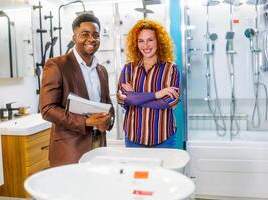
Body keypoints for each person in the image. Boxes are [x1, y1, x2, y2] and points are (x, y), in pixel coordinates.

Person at [40, 13, 114, 167]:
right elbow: (47, 109)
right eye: (85, 34)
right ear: (74, 38)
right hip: (70, 149)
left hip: (98, 145)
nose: (92, 39)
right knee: (72, 190)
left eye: (96, 35)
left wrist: (108, 120)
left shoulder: (101, 70)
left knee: (96, 188)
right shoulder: (57, 65)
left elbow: (108, 104)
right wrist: (87, 121)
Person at [117, 19, 180, 148]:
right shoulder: (128, 69)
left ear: (159, 41)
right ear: (136, 43)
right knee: (135, 169)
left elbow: (169, 102)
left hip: (163, 138)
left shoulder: (171, 69)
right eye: (141, 41)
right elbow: (122, 99)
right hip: (133, 138)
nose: (145, 46)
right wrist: (158, 94)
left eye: (150, 40)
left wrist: (134, 96)